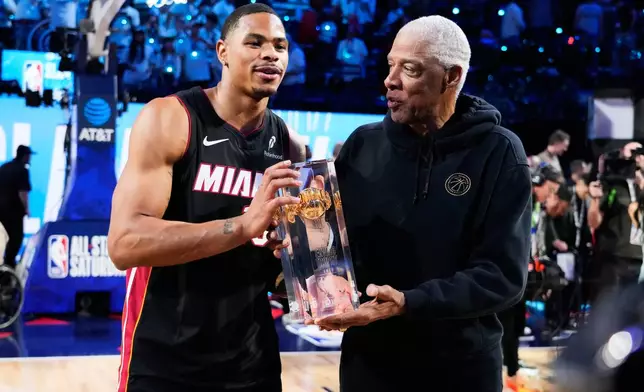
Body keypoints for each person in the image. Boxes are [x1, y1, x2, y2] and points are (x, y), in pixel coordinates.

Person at [310, 16, 532, 392]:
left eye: (410, 69)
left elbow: (502, 276)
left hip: (460, 370)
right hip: (370, 365)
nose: (390, 80)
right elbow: (333, 249)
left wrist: (409, 302)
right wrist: (301, 242)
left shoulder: (499, 152)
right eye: (390, 65)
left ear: (452, 77)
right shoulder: (362, 144)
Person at [107, 4, 306, 392]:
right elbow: (124, 243)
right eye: (255, 42)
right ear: (222, 52)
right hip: (165, 360)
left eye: (280, 46)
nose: (271, 54)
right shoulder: (171, 119)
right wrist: (243, 226)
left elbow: (281, 270)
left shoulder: (289, 146)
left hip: (253, 362)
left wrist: (302, 272)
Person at [0, 145, 33, 268]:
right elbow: (22, 193)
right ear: (24, 156)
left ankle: (4, 266)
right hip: (14, 212)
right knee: (16, 239)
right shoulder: (22, 170)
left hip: (1, 211)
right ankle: (9, 265)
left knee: (4, 238)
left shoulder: (3, 167)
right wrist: (26, 208)